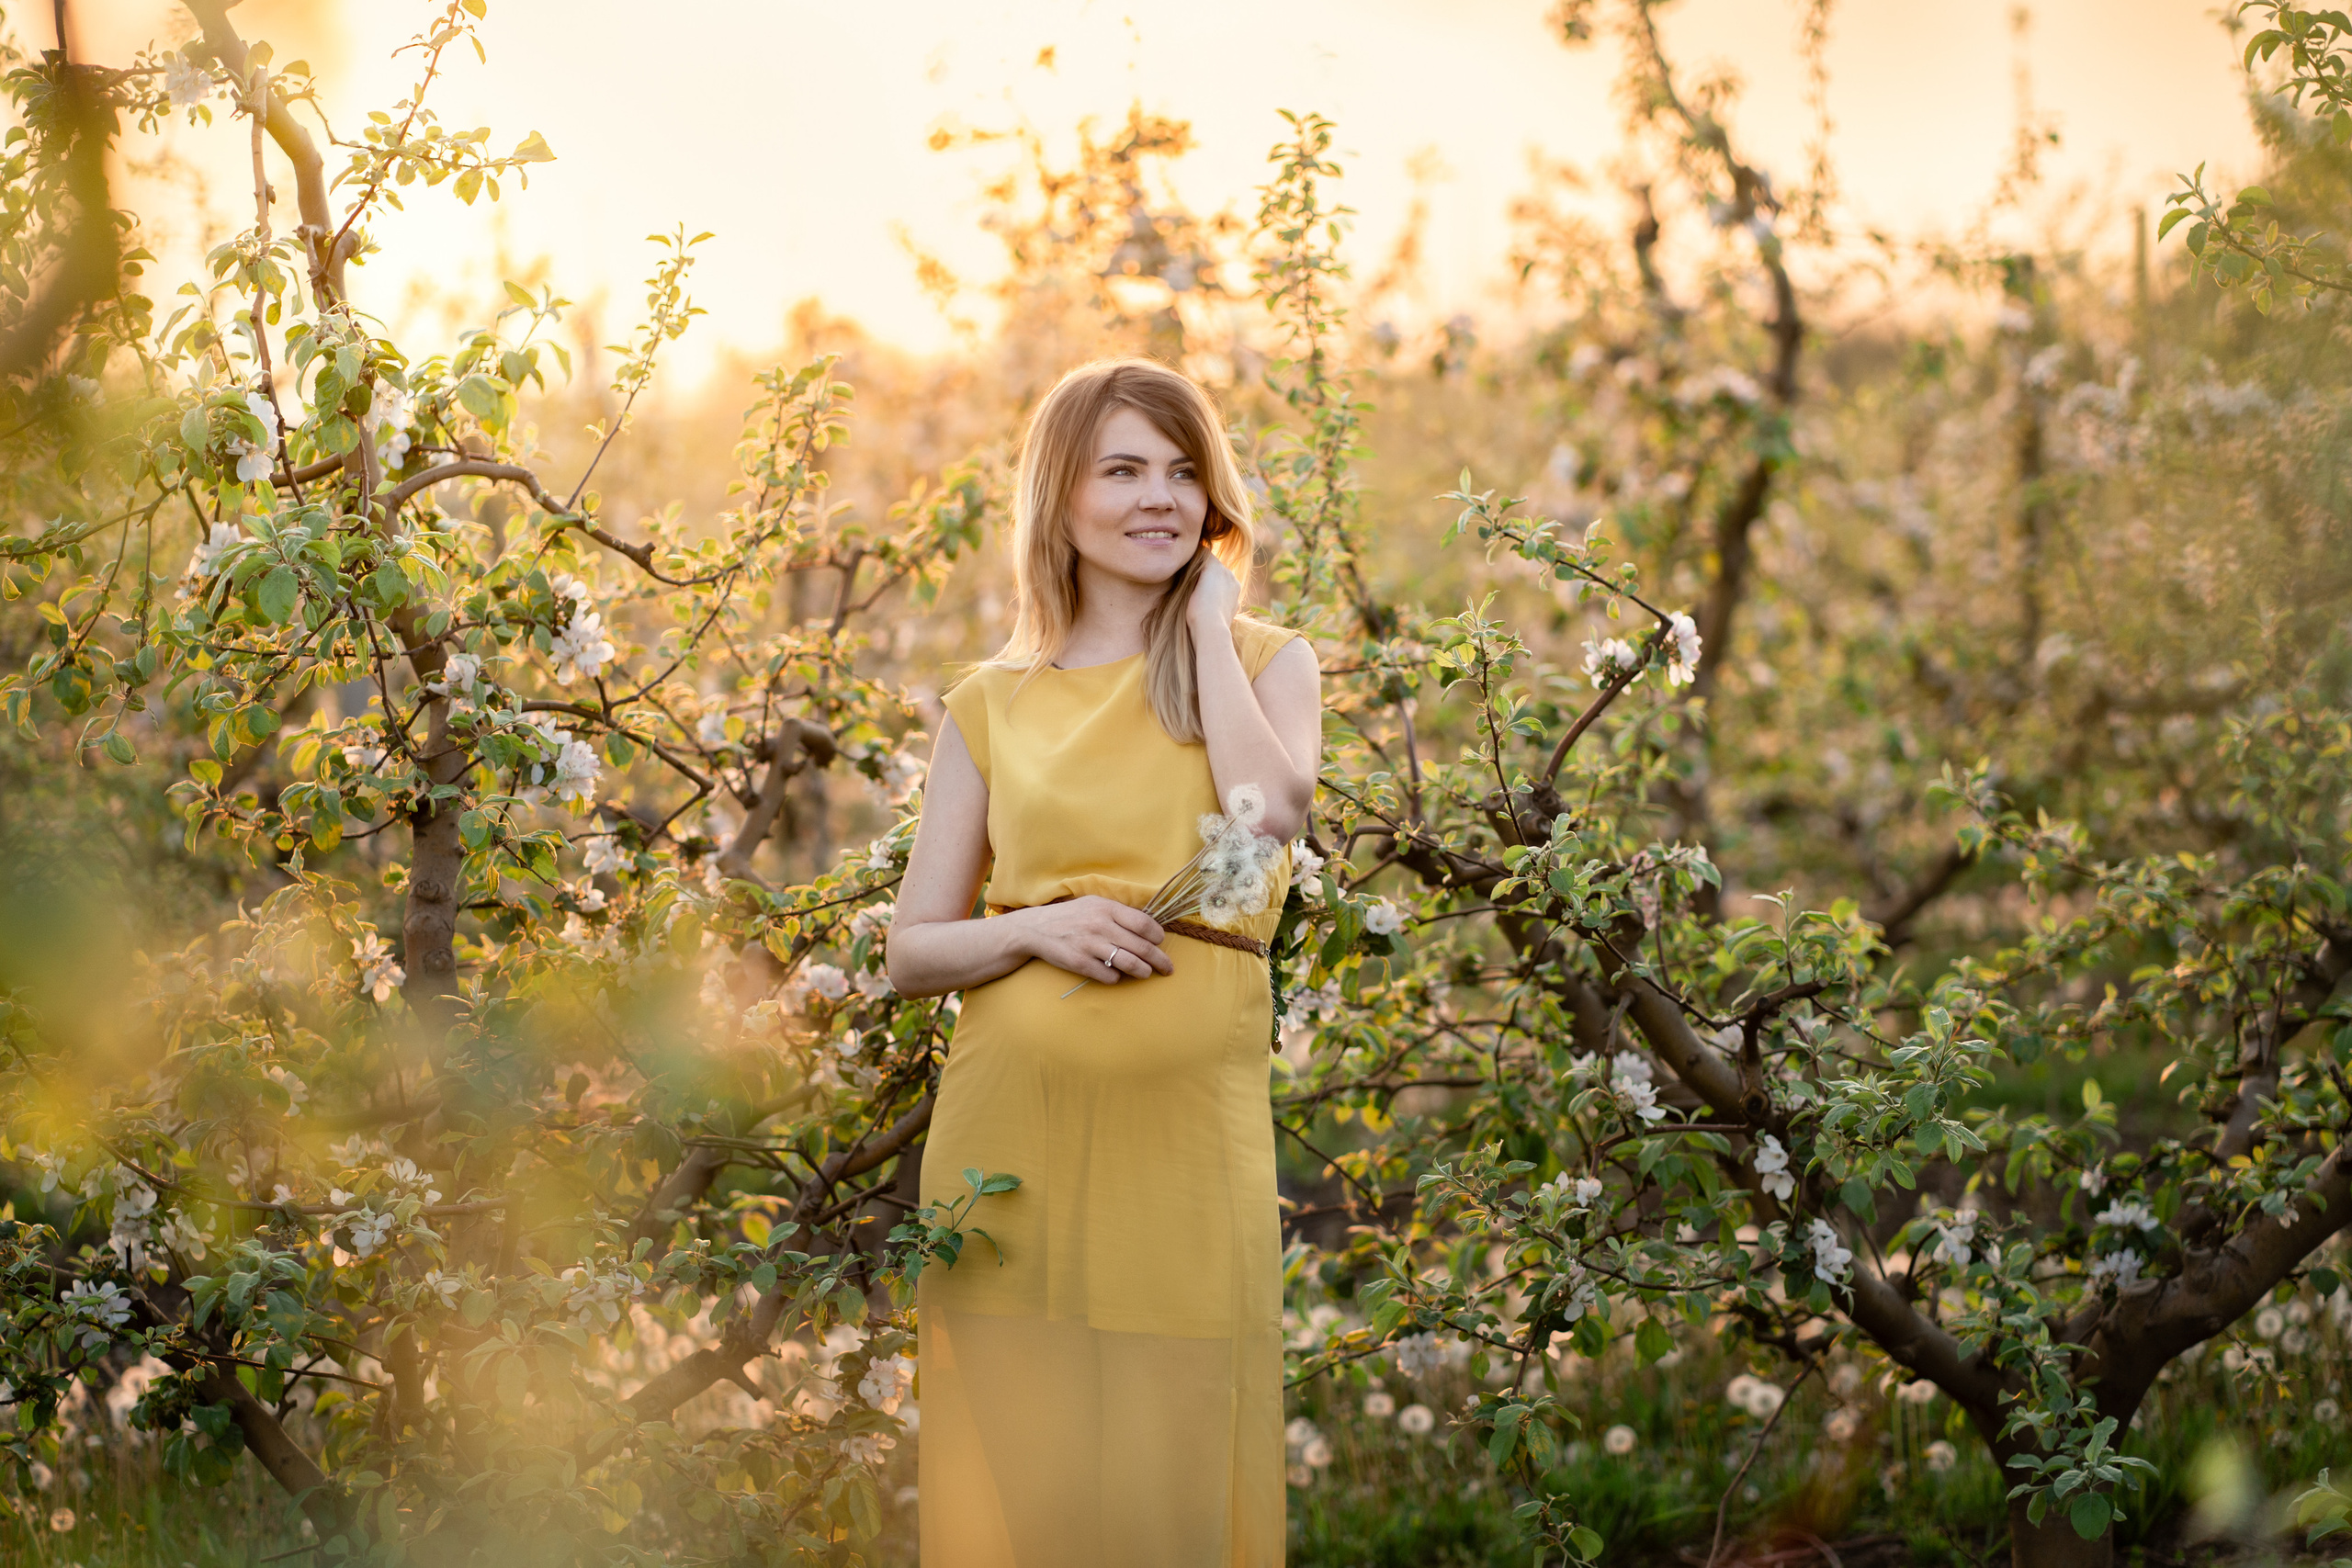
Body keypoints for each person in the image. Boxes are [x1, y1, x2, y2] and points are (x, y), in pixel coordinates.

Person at [887, 357, 1321, 1566]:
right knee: (1037, 1503)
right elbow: (911, 950)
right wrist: (1035, 926)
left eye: (1185, 472)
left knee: (1171, 1479)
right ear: (1060, 498)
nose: (1159, 497)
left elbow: (1264, 811)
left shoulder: (1269, 661)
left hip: (1178, 1159)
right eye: (1123, 469)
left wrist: (1207, 628)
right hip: (1007, 1144)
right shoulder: (992, 702)